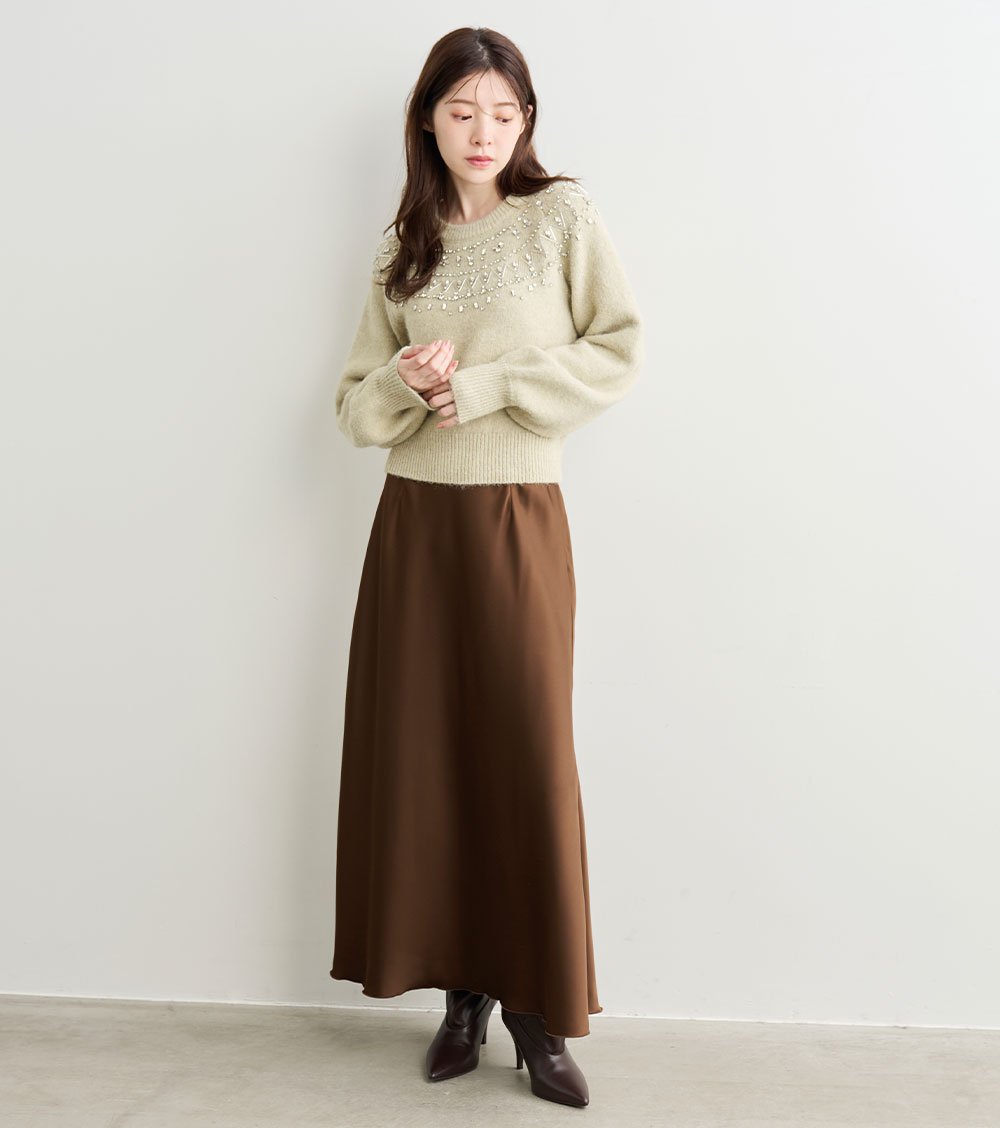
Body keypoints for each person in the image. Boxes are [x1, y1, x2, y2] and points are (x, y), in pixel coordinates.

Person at [328, 26, 643, 1110]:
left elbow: (618, 347)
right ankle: (460, 997)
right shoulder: (402, 247)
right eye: (462, 111)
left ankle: (536, 1013)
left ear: (526, 121)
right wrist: (407, 386)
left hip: (516, 517)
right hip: (415, 524)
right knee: (426, 760)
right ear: (428, 120)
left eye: (504, 112)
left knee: (523, 753)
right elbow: (353, 406)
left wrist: (491, 385)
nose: (483, 131)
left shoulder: (561, 216)